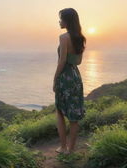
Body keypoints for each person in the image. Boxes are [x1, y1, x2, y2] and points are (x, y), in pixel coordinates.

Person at [53, 8, 86, 154]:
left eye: (61, 19)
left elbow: (62, 61)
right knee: (74, 116)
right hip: (75, 77)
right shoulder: (80, 37)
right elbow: (78, 61)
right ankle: (71, 149)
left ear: (67, 21)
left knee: (60, 112)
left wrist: (55, 79)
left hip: (65, 77)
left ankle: (63, 147)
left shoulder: (63, 37)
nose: (59, 21)